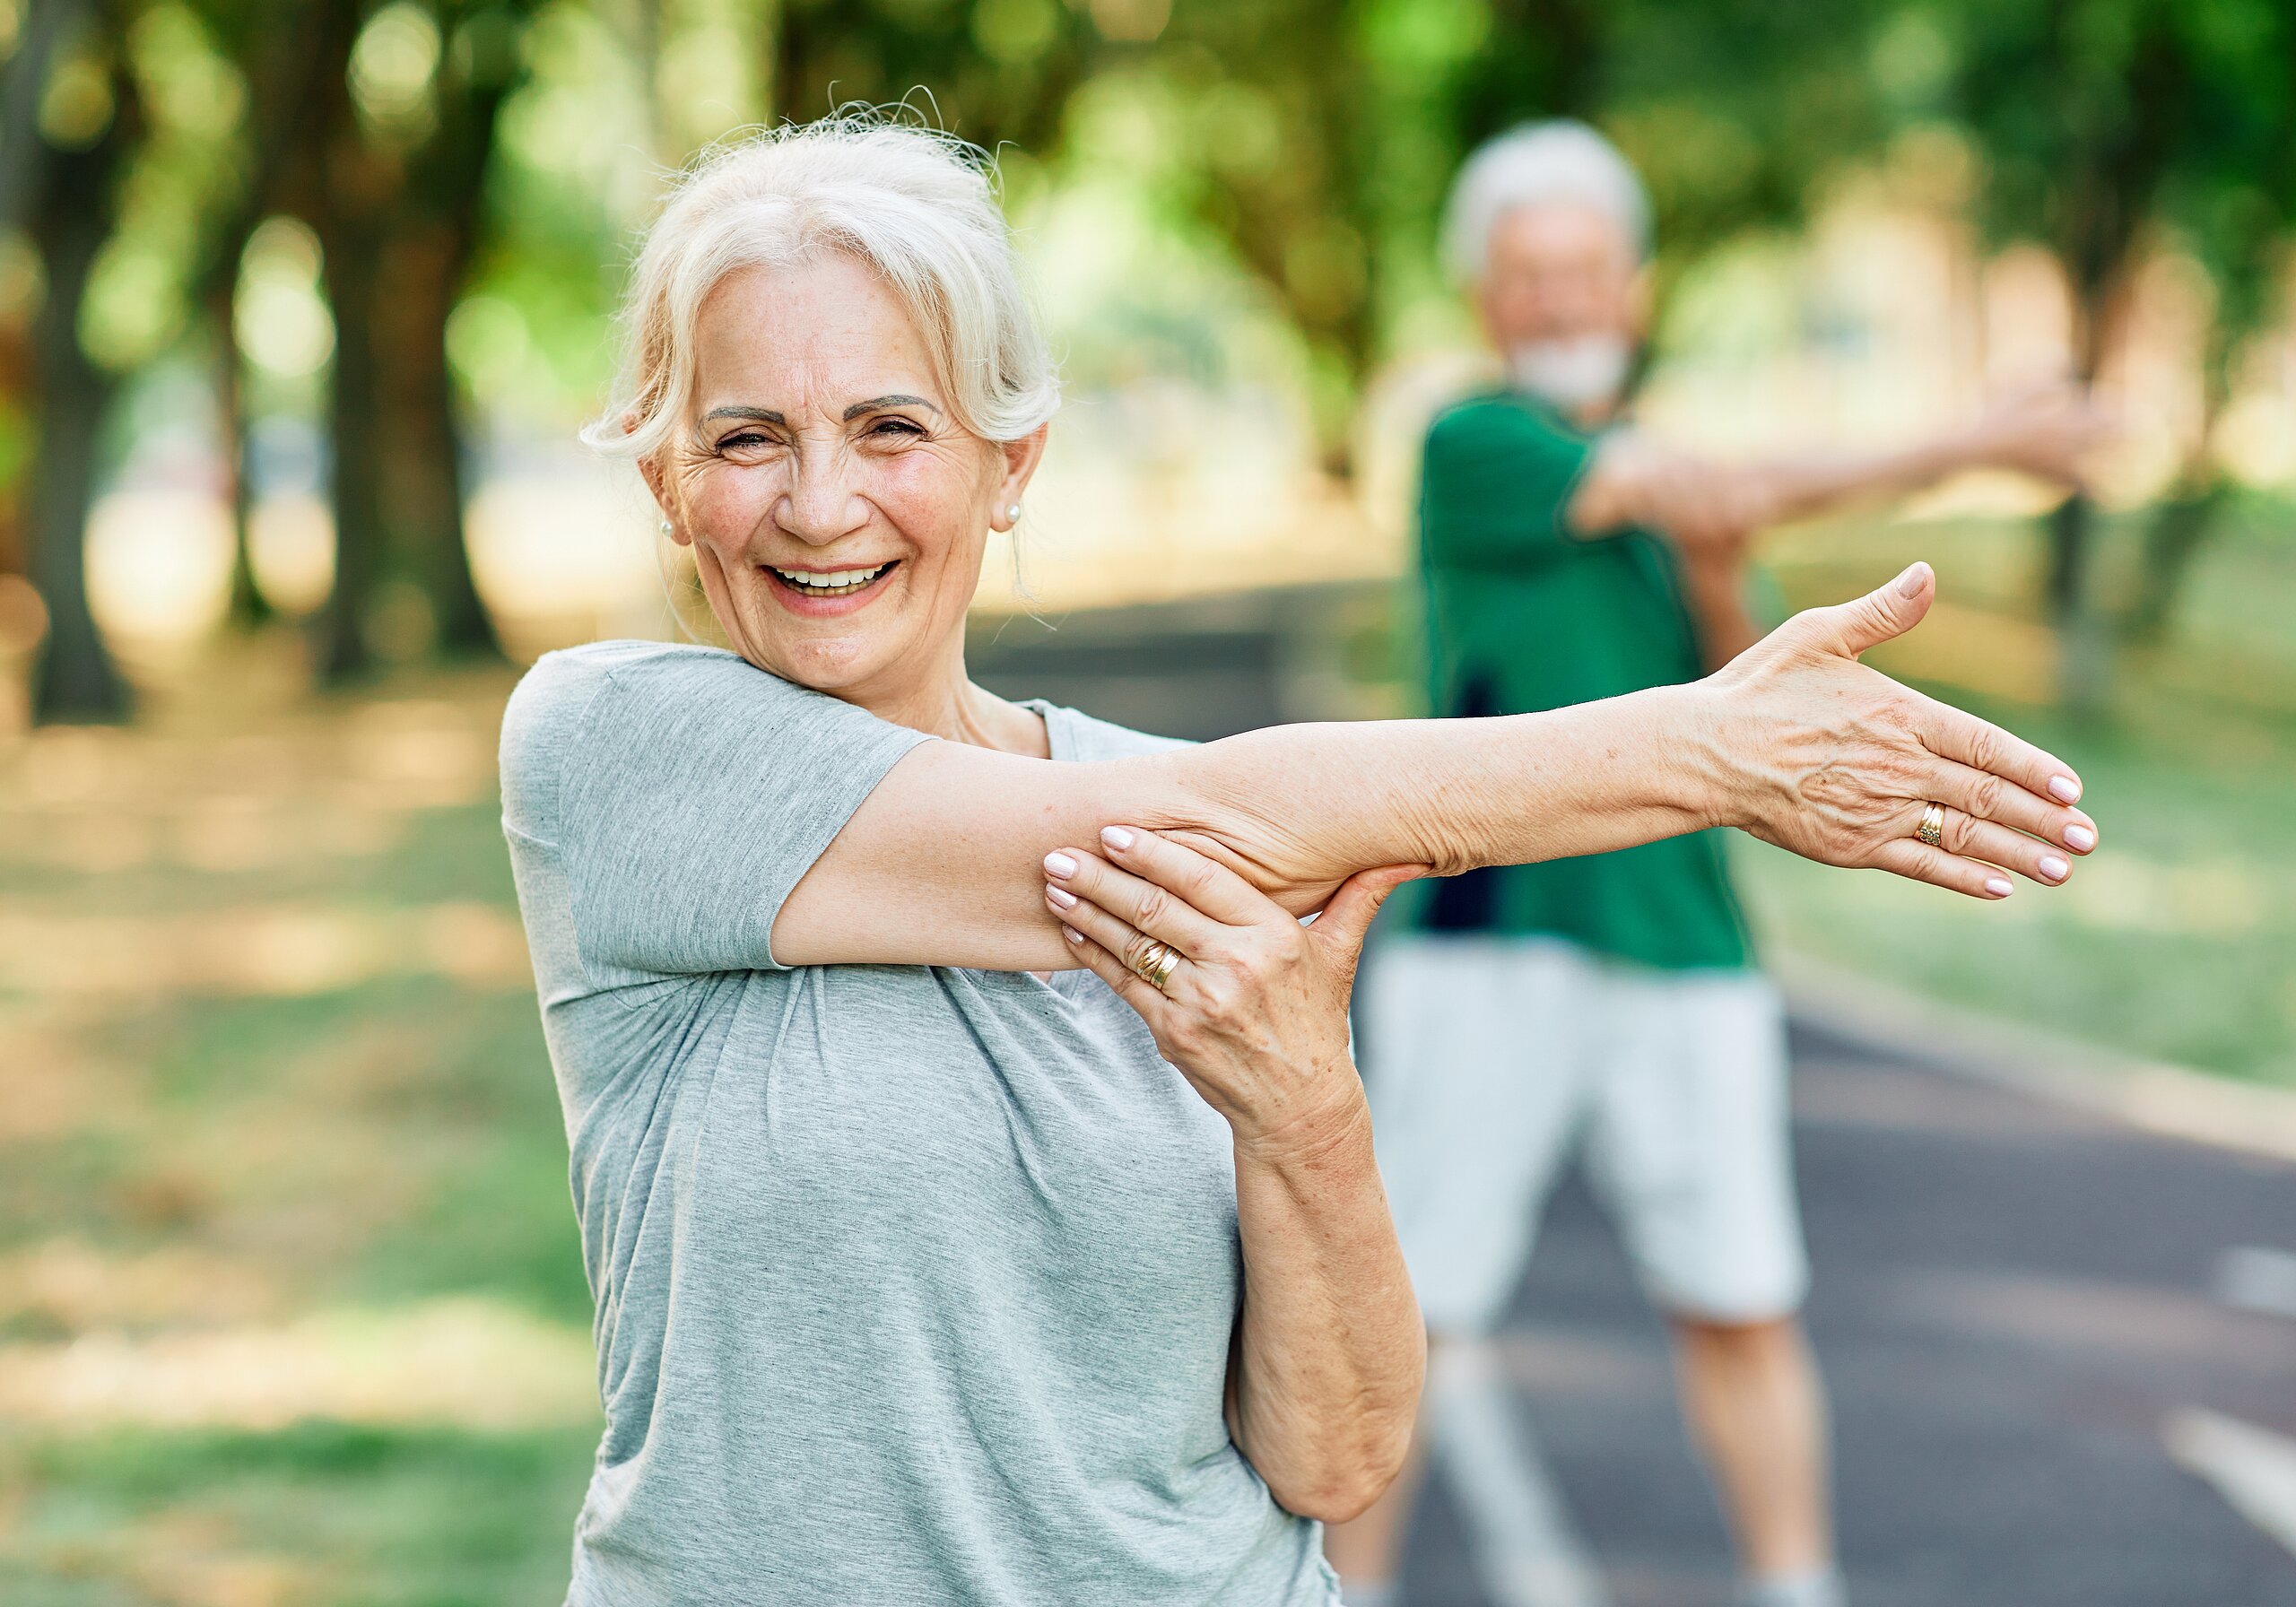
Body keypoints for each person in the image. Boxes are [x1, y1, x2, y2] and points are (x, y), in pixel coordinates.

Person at [496, 116, 2097, 1607]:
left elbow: (1331, 1461)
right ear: (666, 481)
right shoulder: (615, 752)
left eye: (890, 426)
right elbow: (1217, 820)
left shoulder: (1180, 816)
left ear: (1012, 461)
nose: (819, 501)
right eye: (748, 437)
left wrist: (1306, 1110)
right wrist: (1709, 752)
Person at [1320, 122, 2106, 1607]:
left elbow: (1747, 672)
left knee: (1742, 1304)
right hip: (1493, 939)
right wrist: (1966, 445)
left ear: (1634, 287)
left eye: (1585, 270)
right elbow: (1675, 483)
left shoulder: (1691, 486)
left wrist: (1720, 550)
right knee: (1407, 1317)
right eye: (1527, 274)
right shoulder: (1475, 445)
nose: (1559, 299)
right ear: (1484, 297)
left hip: (1685, 940)